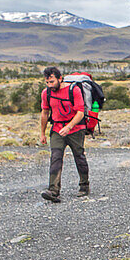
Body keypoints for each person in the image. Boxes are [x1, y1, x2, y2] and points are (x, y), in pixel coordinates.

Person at [39, 66, 88, 202]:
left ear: (60, 79)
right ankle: (53, 190)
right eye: (47, 82)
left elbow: (80, 112)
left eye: (52, 82)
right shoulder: (46, 93)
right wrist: (42, 133)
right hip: (57, 129)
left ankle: (84, 185)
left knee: (79, 156)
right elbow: (44, 113)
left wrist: (69, 126)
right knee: (56, 157)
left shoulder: (74, 90)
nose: (50, 85)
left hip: (76, 129)